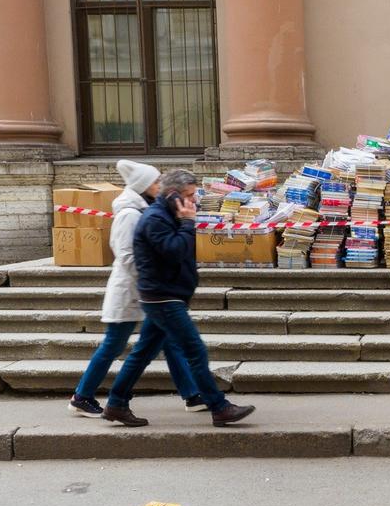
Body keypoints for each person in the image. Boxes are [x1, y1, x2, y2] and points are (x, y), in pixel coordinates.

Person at [102, 169, 255, 428]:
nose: (194, 201)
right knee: (194, 350)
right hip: (163, 297)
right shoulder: (155, 219)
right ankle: (219, 407)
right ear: (173, 195)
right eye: (190, 195)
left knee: (142, 353)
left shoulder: (165, 215)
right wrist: (187, 223)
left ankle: (116, 403)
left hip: (166, 295)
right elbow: (174, 252)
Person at [68, 160, 204, 418]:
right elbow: (127, 256)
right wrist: (153, 279)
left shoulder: (147, 209)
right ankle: (83, 395)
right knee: (113, 344)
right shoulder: (130, 215)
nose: (160, 185)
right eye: (155, 182)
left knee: (170, 342)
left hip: (146, 292)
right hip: (131, 292)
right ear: (143, 186)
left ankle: (192, 394)